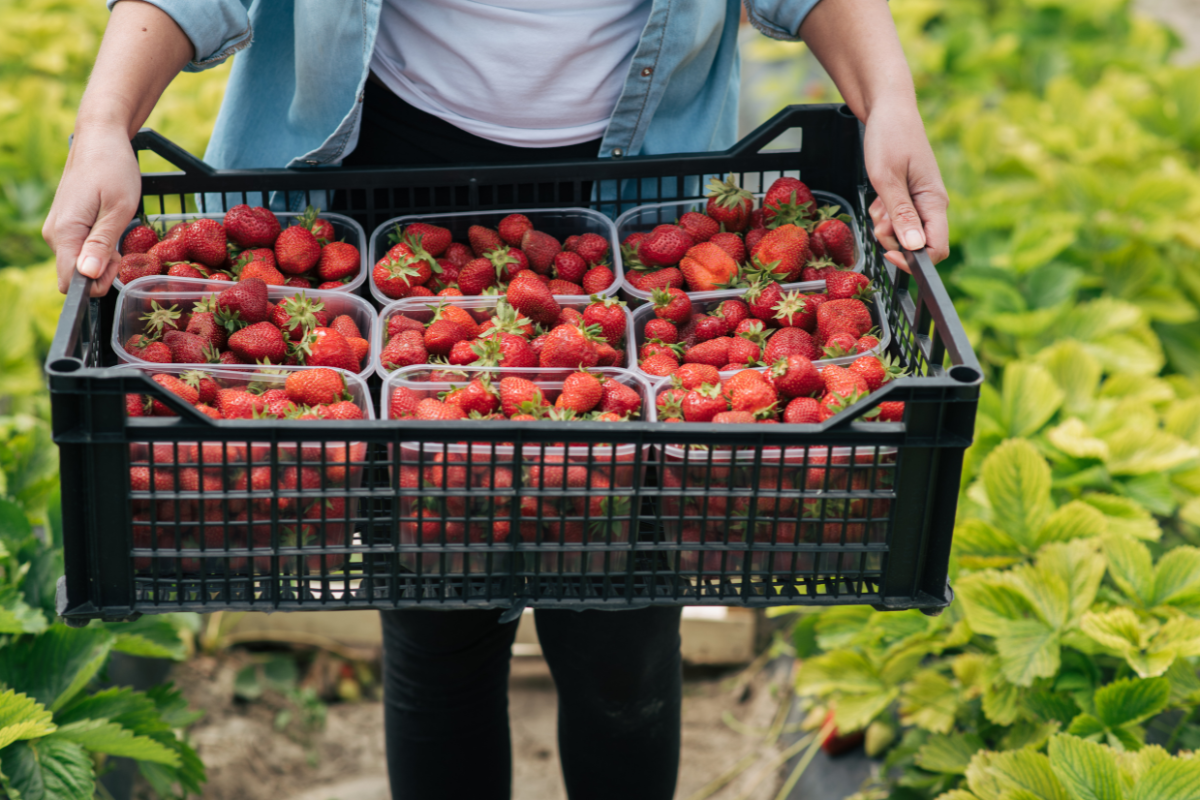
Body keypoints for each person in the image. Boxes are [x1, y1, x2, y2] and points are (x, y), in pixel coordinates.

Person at [43, 1, 949, 797]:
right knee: (439, 610)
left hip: (638, 195)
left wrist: (889, 98)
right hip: (383, 168)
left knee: (623, 627)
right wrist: (104, 124)